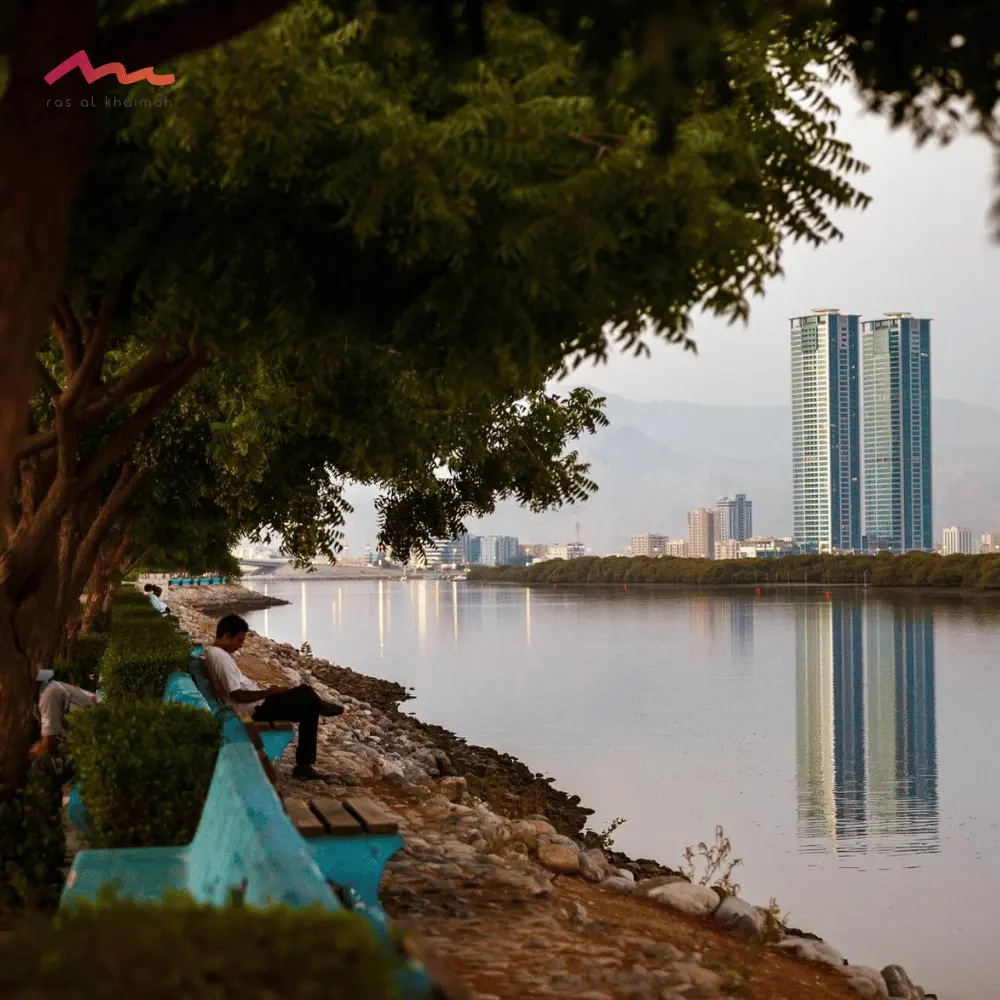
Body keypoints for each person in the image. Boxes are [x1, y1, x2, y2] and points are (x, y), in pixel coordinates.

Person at [202, 614, 343, 781]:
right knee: (306, 694)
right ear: (226, 636)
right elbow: (237, 694)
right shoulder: (220, 657)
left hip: (256, 705)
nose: (241, 645)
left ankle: (305, 764)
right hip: (254, 709)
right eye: (239, 640)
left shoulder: (216, 654)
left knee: (308, 704)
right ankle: (305, 761)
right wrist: (269, 692)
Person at [29, 670, 99, 769]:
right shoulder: (50, 689)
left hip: (99, 725)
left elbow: (49, 739)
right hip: (95, 726)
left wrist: (39, 751)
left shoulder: (48, 695)